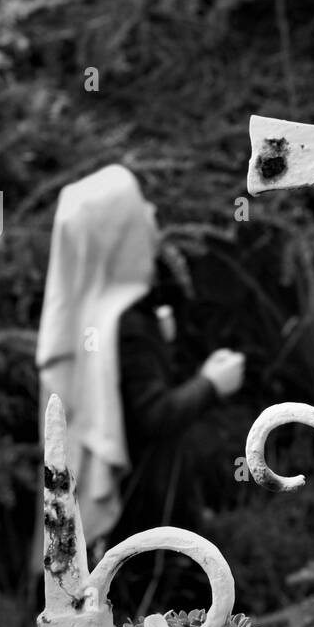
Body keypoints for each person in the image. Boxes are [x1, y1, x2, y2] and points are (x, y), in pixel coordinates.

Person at [34, 164, 244, 566]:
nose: (150, 213)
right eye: (139, 206)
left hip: (115, 511)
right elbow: (153, 416)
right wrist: (212, 384)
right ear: (120, 233)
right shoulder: (125, 320)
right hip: (145, 510)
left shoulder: (91, 314)